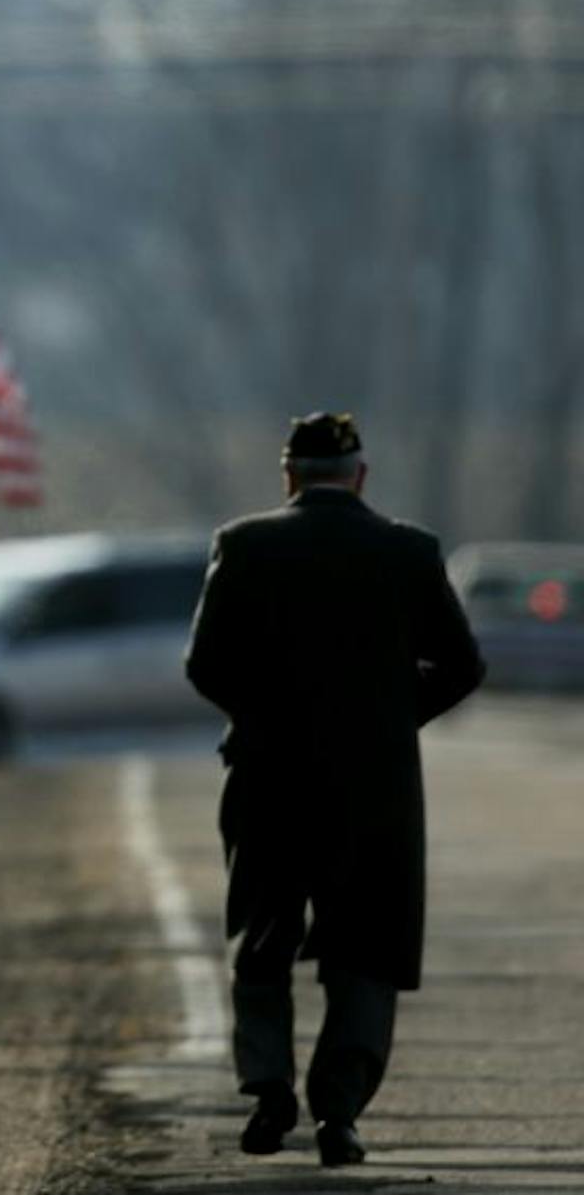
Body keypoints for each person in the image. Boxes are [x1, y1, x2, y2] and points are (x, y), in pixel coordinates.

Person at [184, 412, 483, 1168]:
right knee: (365, 948)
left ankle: (267, 1084)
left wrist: (263, 715)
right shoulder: (409, 552)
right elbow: (463, 664)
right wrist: (386, 717)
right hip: (372, 787)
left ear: (288, 476)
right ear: (361, 476)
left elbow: (205, 662)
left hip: (267, 778)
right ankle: (339, 1111)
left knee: (261, 938)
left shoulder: (243, 545)